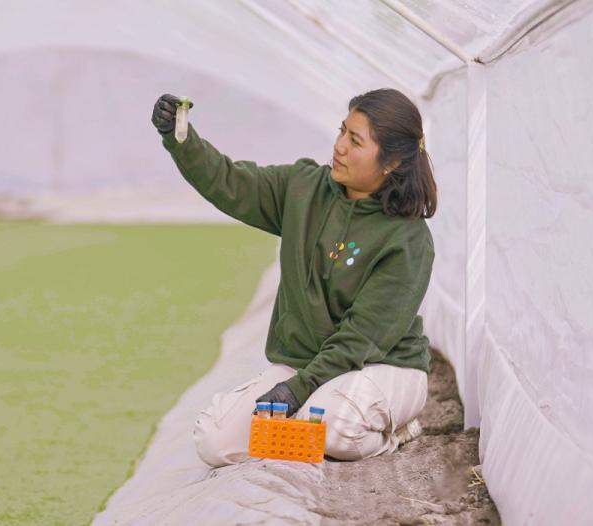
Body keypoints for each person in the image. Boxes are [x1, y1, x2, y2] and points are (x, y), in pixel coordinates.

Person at [151, 89, 438, 464]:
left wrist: (298, 389)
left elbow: (360, 340)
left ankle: (395, 432)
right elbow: (231, 182)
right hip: (304, 365)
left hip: (381, 367)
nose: (338, 147)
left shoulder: (408, 240)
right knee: (215, 441)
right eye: (341, 131)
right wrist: (181, 139)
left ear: (392, 162)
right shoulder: (303, 189)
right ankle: (306, 432)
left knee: (331, 428)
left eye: (355, 141)